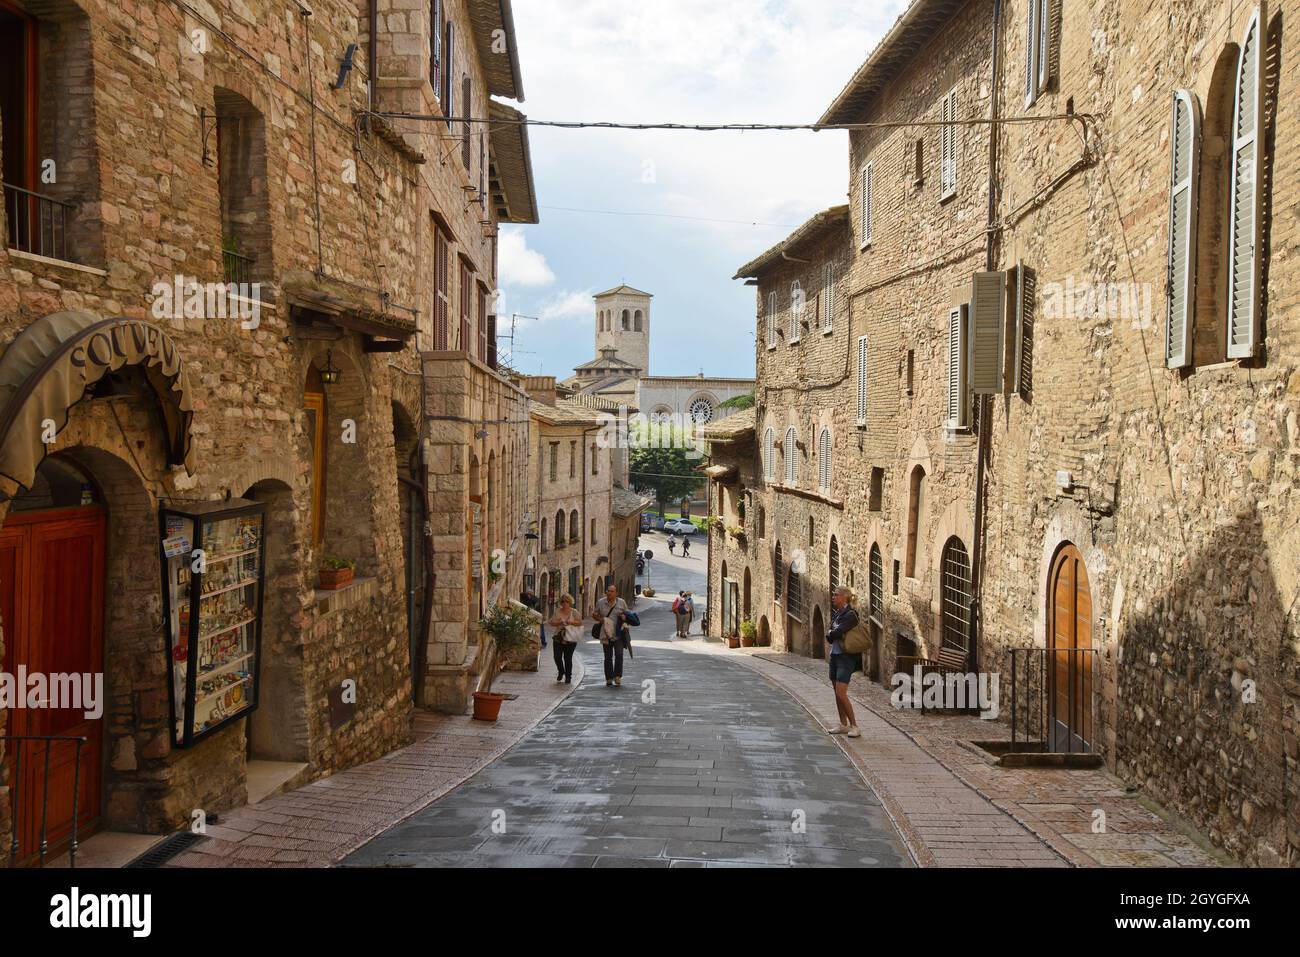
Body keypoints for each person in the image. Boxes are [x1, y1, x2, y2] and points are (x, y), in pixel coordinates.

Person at [824, 586, 862, 738]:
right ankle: (843, 724)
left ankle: (854, 726)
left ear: (844, 597)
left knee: (841, 692)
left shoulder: (850, 614)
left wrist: (831, 634)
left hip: (846, 657)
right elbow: (833, 632)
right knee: (836, 692)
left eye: (836, 594)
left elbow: (837, 632)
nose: (833, 597)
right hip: (835, 655)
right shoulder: (838, 613)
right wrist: (831, 634)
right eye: (833, 594)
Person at [593, 584, 631, 687]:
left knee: (619, 655)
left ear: (616, 593)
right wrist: (600, 619)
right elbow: (594, 614)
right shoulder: (601, 602)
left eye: (611, 591)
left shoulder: (621, 602)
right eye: (608, 591)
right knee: (608, 657)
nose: (609, 593)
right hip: (606, 634)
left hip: (619, 634)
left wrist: (624, 617)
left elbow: (628, 615)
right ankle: (609, 678)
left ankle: (617, 676)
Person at [548, 593, 582, 684]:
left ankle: (568, 677)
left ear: (570, 602)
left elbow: (579, 622)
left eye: (566, 601)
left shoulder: (574, 612)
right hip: (558, 637)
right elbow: (551, 622)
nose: (564, 603)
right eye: (562, 601)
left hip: (570, 638)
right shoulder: (557, 611)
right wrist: (558, 622)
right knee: (557, 657)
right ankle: (561, 671)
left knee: (568, 658)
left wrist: (571, 622)